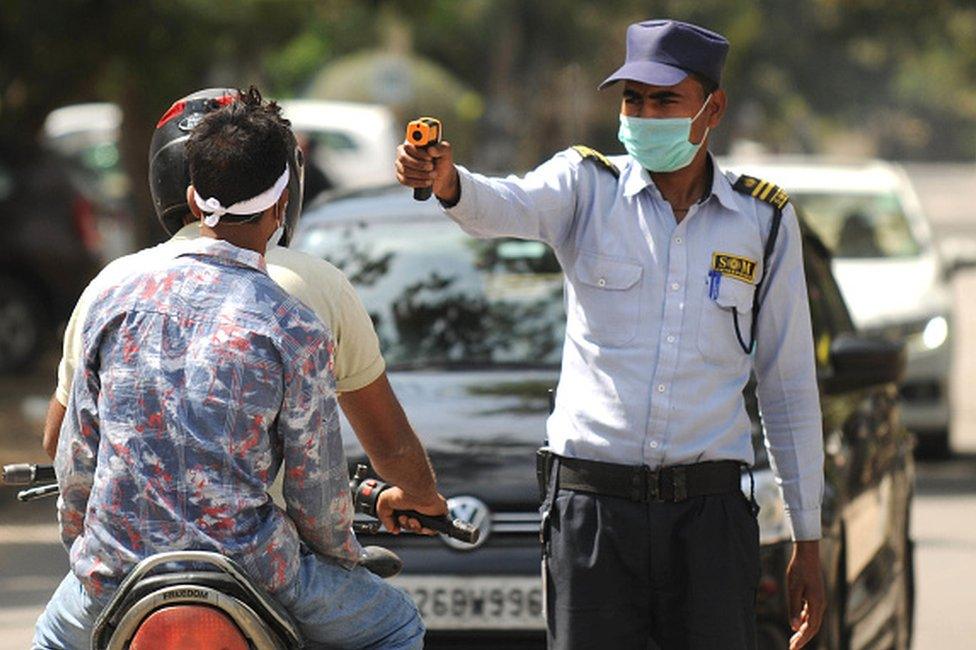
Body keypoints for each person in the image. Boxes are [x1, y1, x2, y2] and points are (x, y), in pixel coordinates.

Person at [396, 19, 825, 650]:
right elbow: (503, 204)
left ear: (713, 109)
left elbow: (787, 385)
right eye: (633, 100)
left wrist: (806, 539)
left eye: (663, 101)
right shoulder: (584, 186)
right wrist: (447, 181)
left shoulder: (763, 220)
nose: (643, 115)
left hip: (708, 520)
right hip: (593, 511)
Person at [35, 88, 441, 650]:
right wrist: (344, 558)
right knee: (397, 623)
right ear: (280, 207)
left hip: (116, 570)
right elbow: (316, 498)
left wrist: (87, 551)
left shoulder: (112, 300)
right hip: (253, 570)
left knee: (49, 639)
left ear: (192, 198)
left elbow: (74, 466)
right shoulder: (293, 326)